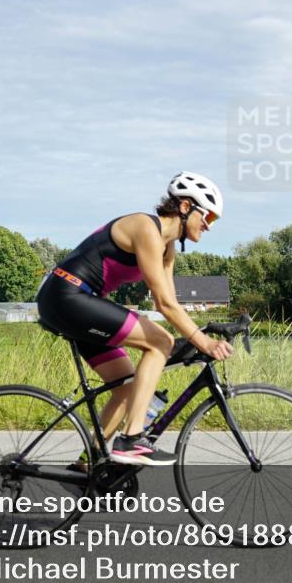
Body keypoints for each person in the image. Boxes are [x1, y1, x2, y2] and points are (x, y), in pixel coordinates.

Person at [35, 172, 234, 466]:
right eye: (209, 217)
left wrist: (200, 331)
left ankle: (86, 466)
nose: (208, 226)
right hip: (67, 295)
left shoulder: (167, 249)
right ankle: (131, 439)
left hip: (80, 302)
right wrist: (202, 341)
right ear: (184, 207)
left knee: (128, 388)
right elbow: (165, 305)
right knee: (160, 343)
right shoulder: (145, 229)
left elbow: (169, 302)